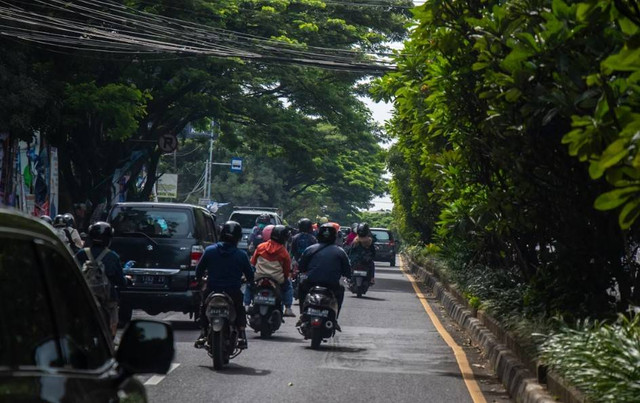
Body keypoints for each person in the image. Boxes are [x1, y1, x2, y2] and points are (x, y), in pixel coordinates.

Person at [195, 221, 254, 349]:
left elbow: (198, 270)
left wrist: (200, 280)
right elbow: (250, 275)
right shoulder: (241, 255)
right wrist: (250, 282)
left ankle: (202, 333)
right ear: (238, 237)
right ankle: (242, 335)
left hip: (212, 289)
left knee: (203, 306)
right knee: (239, 308)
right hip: (232, 291)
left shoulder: (210, 251)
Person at [74, 222, 125, 337]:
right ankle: (111, 341)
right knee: (113, 315)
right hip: (107, 298)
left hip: (84, 297)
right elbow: (120, 281)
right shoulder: (113, 256)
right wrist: (127, 280)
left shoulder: (81, 254)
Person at [297, 223, 351, 319]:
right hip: (332, 284)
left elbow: (301, 267)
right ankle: (335, 318)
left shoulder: (309, 249)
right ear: (334, 237)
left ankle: (302, 313)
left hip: (311, 282)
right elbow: (347, 270)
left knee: (301, 287)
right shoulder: (340, 251)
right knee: (341, 291)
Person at [249, 225, 296, 317]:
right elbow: (286, 270)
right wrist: (285, 278)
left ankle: (246, 304)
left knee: (248, 285)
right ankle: (288, 308)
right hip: (277, 279)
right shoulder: (284, 252)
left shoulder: (260, 247)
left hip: (259, 277)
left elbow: (253, 262)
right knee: (288, 286)